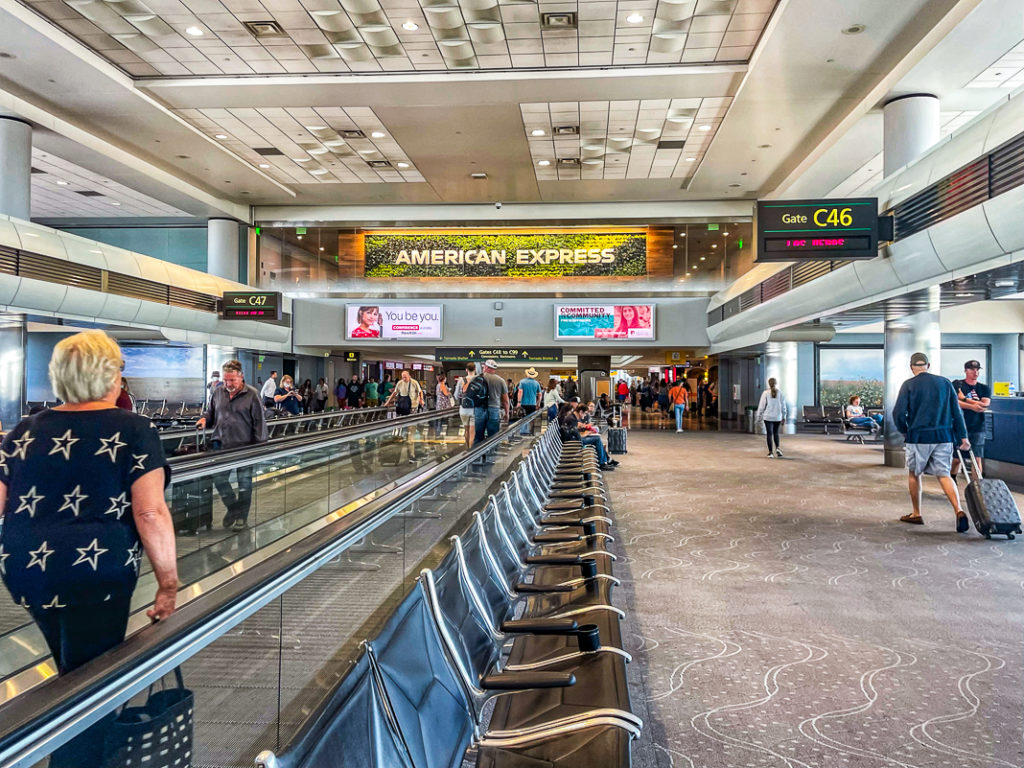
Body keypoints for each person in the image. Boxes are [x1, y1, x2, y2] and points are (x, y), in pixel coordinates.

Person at [0, 330, 177, 768]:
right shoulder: (134, 428)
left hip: (29, 571)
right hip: (96, 572)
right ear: (109, 377)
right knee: (90, 689)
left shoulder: (26, 430)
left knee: (73, 667)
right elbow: (150, 512)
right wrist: (168, 583)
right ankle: (77, 758)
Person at [893, 352, 970, 531]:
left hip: (918, 436)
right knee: (944, 474)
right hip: (943, 436)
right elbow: (957, 412)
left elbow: (898, 413)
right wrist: (963, 437)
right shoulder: (945, 383)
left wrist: (905, 430)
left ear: (912, 367)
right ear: (928, 365)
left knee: (914, 473)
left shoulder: (909, 385)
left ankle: (916, 513)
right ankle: (958, 510)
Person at [196, 359, 269, 531]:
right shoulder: (218, 392)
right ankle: (234, 509)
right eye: (226, 379)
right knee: (219, 479)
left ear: (241, 377)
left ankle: (241, 519)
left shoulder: (251, 394)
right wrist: (204, 419)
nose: (228, 383)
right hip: (220, 444)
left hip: (244, 445)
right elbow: (211, 412)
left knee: (244, 484)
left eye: (232, 380)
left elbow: (259, 421)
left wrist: (259, 446)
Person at [951, 360, 991, 478]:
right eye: (972, 369)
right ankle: (952, 479)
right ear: (965, 370)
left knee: (977, 458)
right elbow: (954, 402)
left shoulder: (984, 388)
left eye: (977, 369)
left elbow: (984, 405)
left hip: (978, 426)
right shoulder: (958, 385)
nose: (975, 372)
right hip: (960, 426)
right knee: (957, 459)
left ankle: (978, 486)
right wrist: (973, 406)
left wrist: (965, 399)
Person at [559, 402, 616, 470]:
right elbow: (577, 436)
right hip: (572, 443)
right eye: (585, 413)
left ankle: (604, 461)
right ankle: (603, 463)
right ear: (580, 412)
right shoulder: (571, 419)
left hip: (573, 440)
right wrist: (587, 434)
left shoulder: (572, 418)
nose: (585, 415)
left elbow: (575, 433)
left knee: (596, 438)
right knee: (597, 439)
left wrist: (587, 433)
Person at [475, 359, 509, 444]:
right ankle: (492, 455)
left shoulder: (477, 379)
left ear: (486, 367)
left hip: (479, 409)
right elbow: (505, 400)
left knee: (478, 435)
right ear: (494, 369)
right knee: (493, 436)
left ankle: (477, 456)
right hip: (494, 409)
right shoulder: (500, 380)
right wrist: (507, 413)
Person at [756, 377, 787, 458]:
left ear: (769, 384)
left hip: (768, 417)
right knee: (776, 433)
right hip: (777, 417)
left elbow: (761, 406)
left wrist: (758, 417)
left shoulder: (765, 393)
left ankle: (770, 453)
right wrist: (784, 416)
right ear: (776, 383)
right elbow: (784, 406)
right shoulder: (780, 393)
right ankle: (778, 448)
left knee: (769, 434)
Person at [453, 362, 476, 447]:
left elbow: (456, 396)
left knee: (466, 430)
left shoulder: (461, 380)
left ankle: (467, 447)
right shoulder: (478, 379)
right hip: (474, 409)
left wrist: (462, 396)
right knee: (472, 432)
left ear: (466, 370)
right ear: (475, 369)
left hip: (463, 409)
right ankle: (471, 451)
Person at [516, 367, 542, 436]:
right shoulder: (536, 383)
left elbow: (520, 391)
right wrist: (538, 403)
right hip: (532, 404)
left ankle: (523, 432)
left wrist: (519, 402)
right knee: (531, 419)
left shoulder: (522, 382)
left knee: (523, 418)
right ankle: (531, 432)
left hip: (523, 404)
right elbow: (540, 394)